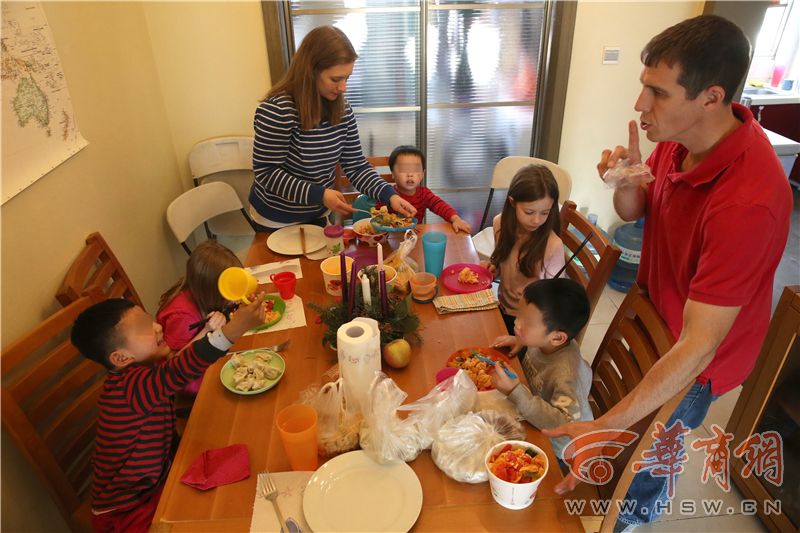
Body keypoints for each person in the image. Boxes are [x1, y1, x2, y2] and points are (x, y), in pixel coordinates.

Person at [543, 15, 793, 531]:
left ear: (711, 97)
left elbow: (699, 345)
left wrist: (608, 425)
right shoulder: (680, 140)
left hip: (701, 355)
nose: (640, 104)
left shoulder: (749, 201)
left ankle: (636, 515)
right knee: (630, 428)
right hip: (657, 313)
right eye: (644, 86)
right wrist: (626, 182)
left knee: (652, 449)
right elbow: (638, 211)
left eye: (657, 92)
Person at [71, 296, 267, 533]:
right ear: (121, 357)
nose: (157, 327)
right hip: (128, 508)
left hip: (160, 473)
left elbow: (174, 366)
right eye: (144, 327)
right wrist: (235, 329)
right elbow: (178, 370)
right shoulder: (129, 388)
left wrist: (208, 330)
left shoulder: (141, 374)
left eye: (149, 320)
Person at [249, 25, 416, 229]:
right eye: (336, 79)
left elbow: (355, 165)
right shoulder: (279, 110)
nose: (343, 87)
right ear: (311, 71)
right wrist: (320, 194)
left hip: (318, 213)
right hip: (275, 218)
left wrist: (389, 195)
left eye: (347, 78)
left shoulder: (342, 110)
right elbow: (266, 172)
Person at [491, 278, 592, 461]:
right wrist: (521, 341)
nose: (516, 323)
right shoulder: (546, 342)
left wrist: (516, 392)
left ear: (557, 338)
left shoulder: (566, 375)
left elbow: (564, 425)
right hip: (532, 415)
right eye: (519, 315)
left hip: (556, 449)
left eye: (526, 323)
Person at [484, 164, 566, 335]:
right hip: (501, 307)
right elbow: (504, 263)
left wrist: (524, 337)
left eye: (545, 213)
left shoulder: (553, 245)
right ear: (512, 202)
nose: (537, 220)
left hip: (530, 324)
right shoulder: (500, 223)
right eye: (529, 212)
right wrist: (493, 268)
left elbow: (554, 299)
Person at [156, 240, 241, 396]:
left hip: (207, 353)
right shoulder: (183, 317)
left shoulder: (200, 292)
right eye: (228, 290)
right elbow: (173, 364)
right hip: (187, 380)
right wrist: (206, 330)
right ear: (211, 291)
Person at [379, 145, 472, 233]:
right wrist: (403, 226)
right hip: (392, 237)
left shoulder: (424, 194)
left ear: (422, 174)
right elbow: (378, 218)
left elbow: (440, 205)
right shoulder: (387, 195)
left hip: (415, 236)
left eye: (415, 170)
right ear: (393, 174)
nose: (410, 174)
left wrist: (456, 219)